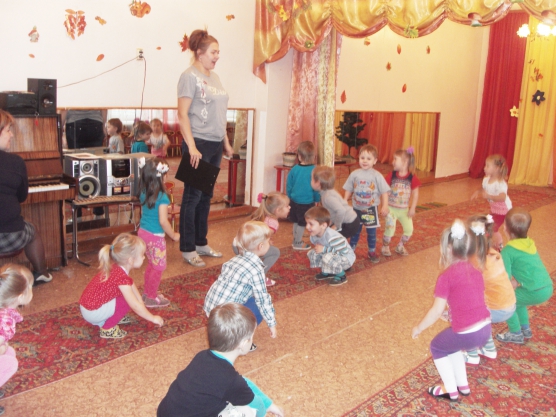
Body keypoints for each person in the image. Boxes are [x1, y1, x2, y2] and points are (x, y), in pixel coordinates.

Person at [157, 303, 284, 417]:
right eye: (251, 337)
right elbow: (258, 408)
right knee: (247, 411)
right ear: (244, 343)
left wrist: (269, 404)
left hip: (165, 412)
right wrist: (264, 409)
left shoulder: (202, 356)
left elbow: (243, 383)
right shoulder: (231, 381)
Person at [411, 219, 491, 402]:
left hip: (468, 332)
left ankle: (450, 389)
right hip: (485, 329)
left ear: (448, 249)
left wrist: (419, 328)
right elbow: (472, 301)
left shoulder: (446, 276)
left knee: (437, 346)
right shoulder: (475, 270)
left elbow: (435, 311)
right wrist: (452, 314)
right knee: (451, 344)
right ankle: (463, 385)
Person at [177, 29, 234, 268]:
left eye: (218, 52)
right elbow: (182, 115)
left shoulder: (215, 77)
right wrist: (191, 147)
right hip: (198, 143)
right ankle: (188, 248)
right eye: (214, 52)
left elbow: (219, 113)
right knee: (193, 196)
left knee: (206, 196)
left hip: (214, 144)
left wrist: (226, 142)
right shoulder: (189, 76)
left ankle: (201, 242)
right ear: (200, 53)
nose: (217, 56)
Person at [204, 221, 277, 351]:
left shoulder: (234, 260)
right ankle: (241, 340)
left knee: (250, 297)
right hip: (226, 317)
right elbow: (263, 299)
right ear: (261, 246)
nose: (270, 244)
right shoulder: (255, 268)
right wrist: (272, 324)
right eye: (268, 242)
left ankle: (225, 333)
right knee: (258, 306)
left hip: (211, 312)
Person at [0, 109, 52, 286]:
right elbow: (22, 197)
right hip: (10, 235)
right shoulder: (15, 162)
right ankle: (41, 272)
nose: (12, 135)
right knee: (32, 230)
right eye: (8, 130)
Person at [79, 233, 164, 339]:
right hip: (93, 312)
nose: (144, 257)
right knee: (126, 299)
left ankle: (113, 315)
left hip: (88, 307)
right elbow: (134, 305)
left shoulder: (117, 267)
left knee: (128, 295)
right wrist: (152, 318)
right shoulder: (121, 277)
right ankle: (107, 329)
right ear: (130, 260)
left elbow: (131, 284)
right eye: (142, 255)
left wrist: (140, 302)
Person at [464, 214, 516, 364]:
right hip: (509, 304)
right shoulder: (493, 253)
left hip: (497, 309)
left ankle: (471, 353)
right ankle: (489, 348)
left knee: (465, 312)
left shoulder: (475, 261)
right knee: (479, 308)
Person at [496, 208, 553, 344]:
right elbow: (526, 267)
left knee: (507, 302)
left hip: (534, 291)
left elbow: (505, 278)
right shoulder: (529, 242)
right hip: (547, 287)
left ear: (505, 228)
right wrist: (517, 282)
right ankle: (525, 328)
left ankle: (515, 333)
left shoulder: (508, 251)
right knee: (518, 301)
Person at [137, 157, 180, 308]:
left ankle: (147, 292)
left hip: (143, 233)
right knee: (158, 267)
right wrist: (173, 235)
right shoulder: (162, 197)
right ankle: (151, 297)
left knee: (151, 265)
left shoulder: (144, 191)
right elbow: (163, 221)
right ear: (162, 176)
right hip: (155, 237)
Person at [343, 144, 390, 263]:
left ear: (375, 161)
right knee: (355, 231)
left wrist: (385, 205)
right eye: (362, 158)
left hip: (370, 210)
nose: (365, 161)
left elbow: (384, 192)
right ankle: (351, 250)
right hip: (356, 209)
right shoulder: (354, 174)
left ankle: (371, 251)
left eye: (368, 159)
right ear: (358, 158)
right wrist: (345, 200)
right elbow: (348, 188)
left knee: (371, 233)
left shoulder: (377, 175)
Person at [232, 192, 290, 286]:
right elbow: (262, 236)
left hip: (237, 244)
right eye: (287, 206)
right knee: (275, 252)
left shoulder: (261, 214)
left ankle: (244, 272)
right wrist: (267, 241)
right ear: (278, 210)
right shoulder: (273, 223)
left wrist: (267, 240)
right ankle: (259, 276)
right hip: (246, 247)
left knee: (260, 250)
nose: (289, 207)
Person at [0, 264, 33, 416]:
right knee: (10, 363)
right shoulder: (3, 320)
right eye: (30, 287)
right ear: (20, 296)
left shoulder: (4, 309)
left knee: (10, 352)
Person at [382, 147, 421, 256]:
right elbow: (384, 190)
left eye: (395, 159)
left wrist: (413, 208)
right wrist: (385, 205)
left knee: (409, 230)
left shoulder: (412, 177)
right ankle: (385, 246)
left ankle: (400, 246)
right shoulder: (392, 175)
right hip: (391, 209)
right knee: (390, 228)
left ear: (405, 161)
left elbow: (415, 194)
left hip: (404, 210)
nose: (392, 162)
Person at [305, 206, 356, 287]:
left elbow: (343, 252)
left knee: (327, 257)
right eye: (307, 223)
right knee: (313, 253)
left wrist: (324, 249)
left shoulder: (332, 237)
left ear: (323, 225)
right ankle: (328, 271)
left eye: (311, 224)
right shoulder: (314, 235)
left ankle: (341, 276)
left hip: (346, 258)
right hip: (333, 255)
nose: (307, 227)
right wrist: (323, 250)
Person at [471, 154, 512, 251]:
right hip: (495, 209)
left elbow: (502, 197)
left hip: (504, 210)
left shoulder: (500, 183)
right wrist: (478, 191)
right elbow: (484, 188)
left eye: (487, 166)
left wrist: (490, 196)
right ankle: (491, 243)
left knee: (493, 228)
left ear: (496, 168)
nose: (484, 168)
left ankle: (499, 246)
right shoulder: (486, 179)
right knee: (487, 224)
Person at [286, 141, 320, 250]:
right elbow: (316, 187)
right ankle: (298, 242)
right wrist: (317, 199)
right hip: (307, 202)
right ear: (313, 156)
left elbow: (289, 184)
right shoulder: (315, 170)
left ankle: (295, 240)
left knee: (296, 221)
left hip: (294, 201)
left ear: (299, 156)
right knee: (302, 223)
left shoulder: (294, 169)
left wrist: (289, 196)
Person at [311, 166, 359, 239]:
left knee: (332, 238)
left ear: (318, 183)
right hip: (345, 220)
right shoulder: (327, 192)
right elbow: (331, 210)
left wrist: (336, 226)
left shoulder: (328, 197)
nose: (310, 181)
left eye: (311, 179)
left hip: (349, 224)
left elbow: (341, 210)